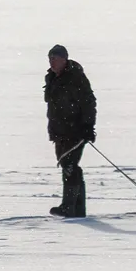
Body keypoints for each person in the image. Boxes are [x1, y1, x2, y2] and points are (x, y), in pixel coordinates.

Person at [43, 44, 96, 218]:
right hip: (59, 131)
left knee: (70, 166)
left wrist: (88, 127)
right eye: (50, 58)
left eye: (55, 58)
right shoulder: (51, 78)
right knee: (70, 166)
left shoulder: (76, 77)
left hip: (76, 130)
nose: (52, 61)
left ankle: (68, 207)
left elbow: (89, 103)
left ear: (64, 59)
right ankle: (77, 209)